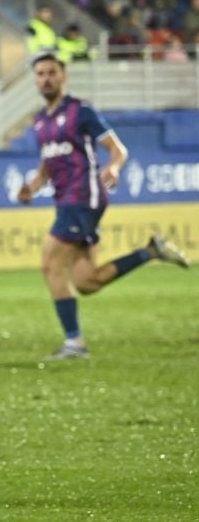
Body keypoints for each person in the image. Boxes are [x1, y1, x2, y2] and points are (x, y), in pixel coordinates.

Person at [16, 52, 188, 360]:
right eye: (40, 74)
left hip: (84, 196)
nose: (46, 79)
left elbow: (118, 149)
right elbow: (47, 164)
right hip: (65, 200)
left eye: (52, 72)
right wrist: (31, 187)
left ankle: (74, 344)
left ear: (63, 76)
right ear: (35, 80)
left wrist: (114, 167)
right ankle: (150, 251)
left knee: (50, 264)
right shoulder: (39, 121)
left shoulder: (80, 111)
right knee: (87, 281)